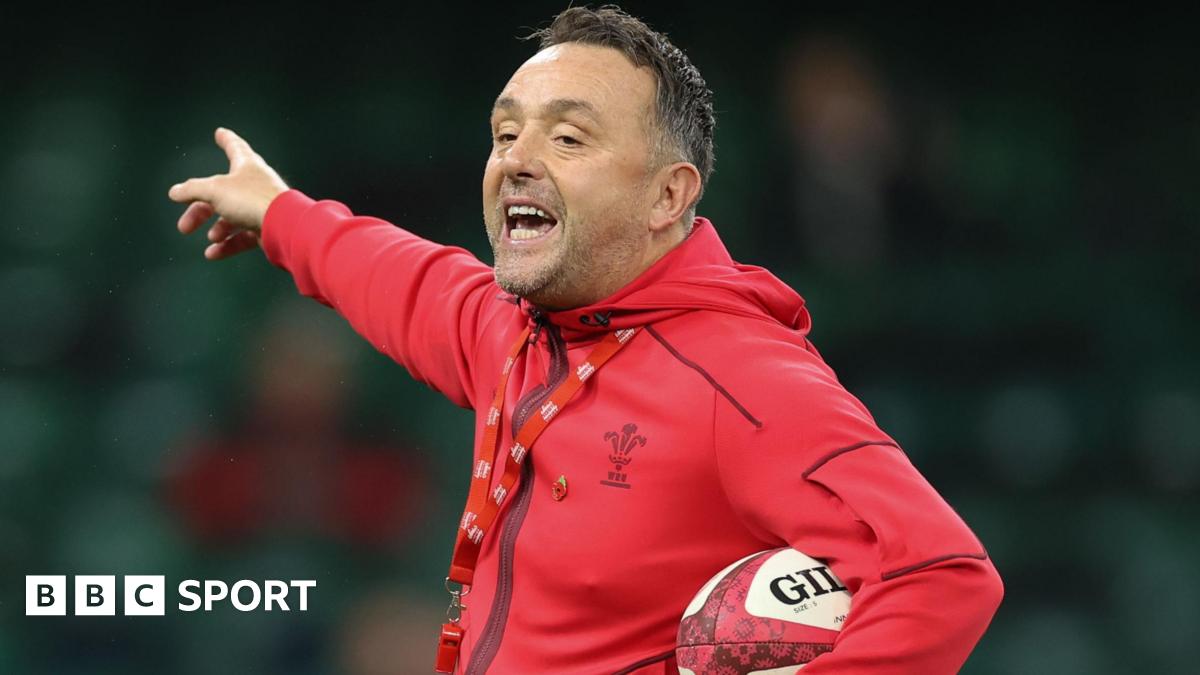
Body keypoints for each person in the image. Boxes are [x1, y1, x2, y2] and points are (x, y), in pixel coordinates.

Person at [167, 6, 1002, 674]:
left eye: (567, 138)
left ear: (667, 195)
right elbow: (402, 277)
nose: (518, 160)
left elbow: (942, 576)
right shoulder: (516, 329)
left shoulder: (743, 374)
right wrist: (279, 214)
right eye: (505, 133)